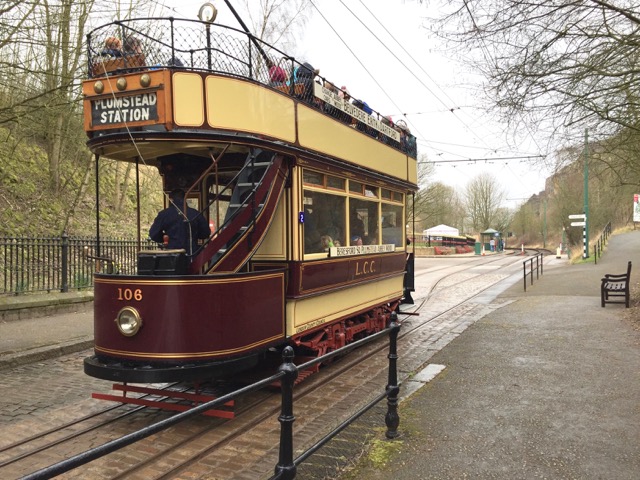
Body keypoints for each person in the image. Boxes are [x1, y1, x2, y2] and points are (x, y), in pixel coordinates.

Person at [149, 189, 210, 256]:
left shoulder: (164, 214)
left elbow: (153, 234)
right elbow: (206, 233)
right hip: (192, 252)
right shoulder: (195, 213)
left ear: (171, 199)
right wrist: (194, 235)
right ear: (185, 198)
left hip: (172, 253)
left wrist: (165, 237)